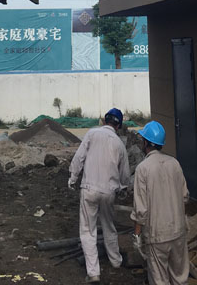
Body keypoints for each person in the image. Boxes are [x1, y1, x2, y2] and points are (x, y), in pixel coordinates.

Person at [68, 107, 130, 283]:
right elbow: (125, 174)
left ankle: (94, 273)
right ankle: (116, 261)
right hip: (109, 192)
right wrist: (123, 188)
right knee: (109, 226)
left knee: (88, 231)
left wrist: (73, 178)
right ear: (118, 126)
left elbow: (79, 158)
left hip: (89, 189)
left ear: (104, 120)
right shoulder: (119, 144)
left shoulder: (92, 134)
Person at [131, 121, 189, 285]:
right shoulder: (174, 163)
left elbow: (141, 209)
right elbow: (185, 196)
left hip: (157, 235)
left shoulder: (143, 168)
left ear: (146, 143)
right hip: (178, 231)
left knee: (159, 280)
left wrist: (137, 235)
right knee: (180, 278)